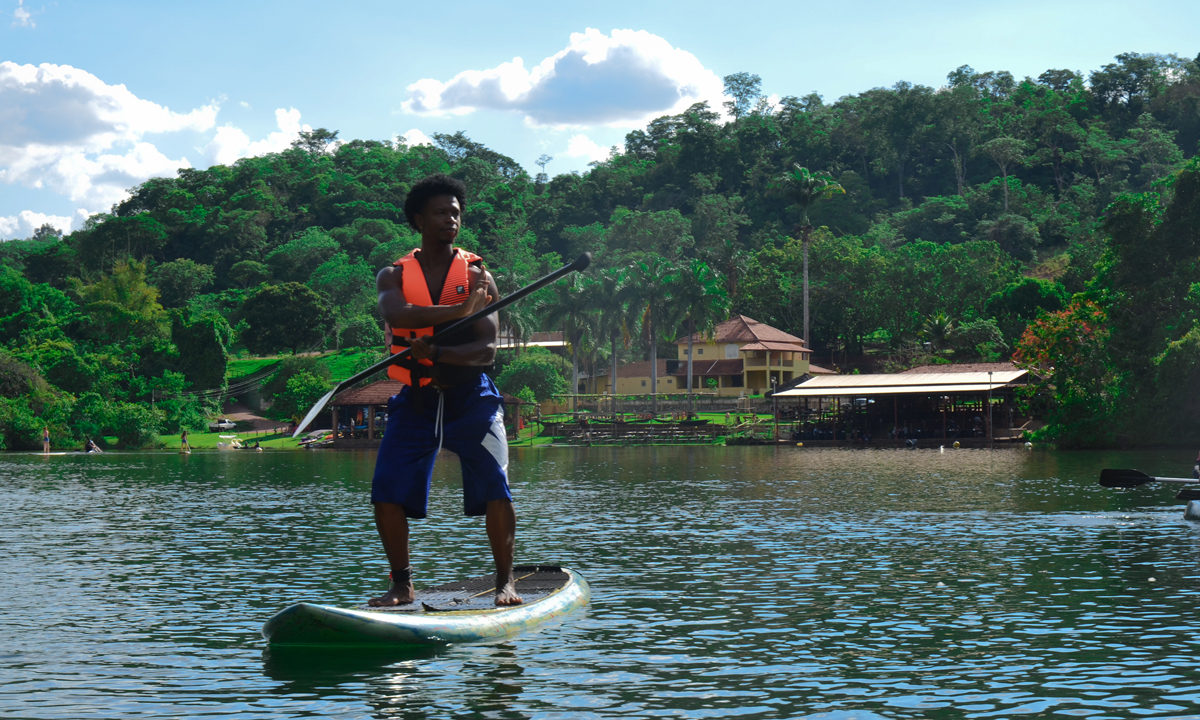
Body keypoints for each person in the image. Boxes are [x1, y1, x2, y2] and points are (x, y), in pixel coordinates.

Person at [368, 173, 520, 608]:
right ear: (418, 219)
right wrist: (460, 310)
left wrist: (434, 350)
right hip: (416, 401)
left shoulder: (478, 276)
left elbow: (484, 349)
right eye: (440, 212)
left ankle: (506, 581)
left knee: (496, 485)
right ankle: (402, 584)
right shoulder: (392, 275)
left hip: (471, 396)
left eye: (455, 213)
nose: (450, 219)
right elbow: (398, 315)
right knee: (386, 491)